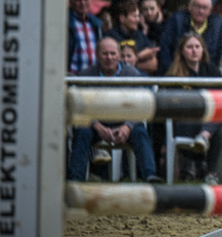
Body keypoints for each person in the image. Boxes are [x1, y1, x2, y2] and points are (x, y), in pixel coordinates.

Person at [68, 37, 161, 182]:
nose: (109, 57)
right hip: (95, 125)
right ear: (97, 55)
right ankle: (75, 179)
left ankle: (150, 176)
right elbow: (79, 107)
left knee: (140, 131)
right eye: (105, 54)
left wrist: (127, 127)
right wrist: (96, 125)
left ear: (119, 55)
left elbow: (140, 106)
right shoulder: (85, 75)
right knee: (82, 130)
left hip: (123, 123)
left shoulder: (132, 74)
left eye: (113, 53)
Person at [163, 32, 222, 183]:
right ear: (182, 51)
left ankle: (204, 139)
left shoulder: (211, 70)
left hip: (208, 122)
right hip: (185, 123)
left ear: (203, 49)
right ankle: (211, 173)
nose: (194, 50)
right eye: (189, 47)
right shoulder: (174, 75)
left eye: (197, 46)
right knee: (216, 124)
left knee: (218, 121)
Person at [158, 0, 222, 74]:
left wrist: (211, 73)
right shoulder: (177, 20)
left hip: (208, 74)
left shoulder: (218, 24)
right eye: (198, 6)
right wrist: (173, 72)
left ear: (210, 10)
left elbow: (220, 52)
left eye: (205, 8)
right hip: (178, 72)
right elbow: (164, 47)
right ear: (190, 6)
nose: (201, 11)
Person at [104, 0, 159, 74]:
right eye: (134, 16)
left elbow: (153, 65)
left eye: (138, 16)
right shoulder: (110, 37)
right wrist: (140, 56)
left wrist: (130, 63)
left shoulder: (140, 35)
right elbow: (112, 65)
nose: (138, 20)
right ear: (122, 18)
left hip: (142, 82)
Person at [68, 0, 103, 75]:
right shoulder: (65, 22)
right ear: (71, 2)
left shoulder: (96, 24)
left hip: (93, 77)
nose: (82, 3)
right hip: (72, 76)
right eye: (78, 0)